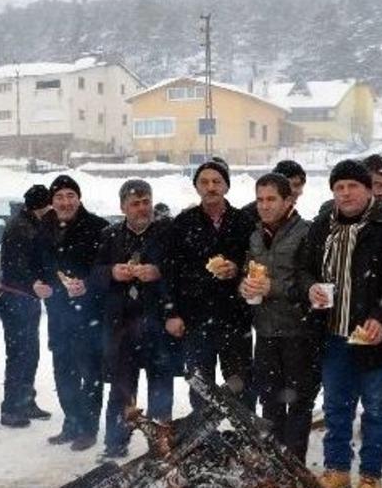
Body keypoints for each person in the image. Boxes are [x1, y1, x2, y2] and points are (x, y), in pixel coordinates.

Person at [300, 159, 382, 488]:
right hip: (332, 333)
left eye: (352, 186)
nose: (345, 193)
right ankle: (337, 469)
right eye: (338, 187)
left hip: (372, 335)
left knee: (375, 409)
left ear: (369, 189)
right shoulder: (322, 226)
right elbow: (304, 269)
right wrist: (310, 287)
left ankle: (371, 476)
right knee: (336, 407)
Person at [90, 180, 179, 459]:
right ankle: (116, 442)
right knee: (121, 387)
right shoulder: (109, 235)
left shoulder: (167, 233)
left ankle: (161, 445)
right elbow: (94, 275)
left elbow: (182, 270)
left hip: (158, 322)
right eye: (135, 204)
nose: (142, 209)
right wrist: (112, 272)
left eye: (146, 202)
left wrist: (158, 271)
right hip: (122, 325)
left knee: (161, 387)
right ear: (123, 207)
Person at [240, 172, 320, 462]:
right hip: (265, 331)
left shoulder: (307, 233)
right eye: (260, 199)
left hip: (299, 332)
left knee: (299, 402)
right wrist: (244, 285)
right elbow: (248, 271)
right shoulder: (255, 235)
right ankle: (274, 465)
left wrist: (274, 288)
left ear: (289, 200)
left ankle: (295, 467)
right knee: (270, 402)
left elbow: (311, 283)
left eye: (271, 199)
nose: (264, 205)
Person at [164, 158, 255, 409]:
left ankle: (244, 432)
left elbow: (257, 264)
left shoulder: (244, 222)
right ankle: (204, 432)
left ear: (226, 186)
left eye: (217, 181)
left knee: (241, 384)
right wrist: (171, 313)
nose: (211, 187)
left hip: (235, 318)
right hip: (196, 318)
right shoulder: (183, 223)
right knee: (200, 387)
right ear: (196, 187)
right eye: (204, 182)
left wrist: (238, 269)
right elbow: (170, 272)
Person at [40, 175, 109, 451]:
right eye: (59, 197)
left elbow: (106, 269)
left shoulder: (98, 228)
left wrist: (88, 284)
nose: (65, 202)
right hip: (58, 314)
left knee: (90, 373)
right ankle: (71, 423)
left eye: (70, 196)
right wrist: (37, 283)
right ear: (52, 201)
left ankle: (88, 429)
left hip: (89, 314)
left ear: (79, 199)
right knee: (63, 373)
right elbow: (36, 265)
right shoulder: (43, 228)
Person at [0, 184, 54, 427]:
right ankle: (11, 408)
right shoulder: (20, 228)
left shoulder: (31, 224)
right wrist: (35, 281)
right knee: (19, 354)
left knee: (30, 353)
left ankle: (26, 401)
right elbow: (18, 265)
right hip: (16, 297)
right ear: (40, 206)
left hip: (27, 298)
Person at [241, 159, 307, 222]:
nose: (299, 192)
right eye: (295, 185)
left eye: (301, 186)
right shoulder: (247, 218)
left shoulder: (292, 217)